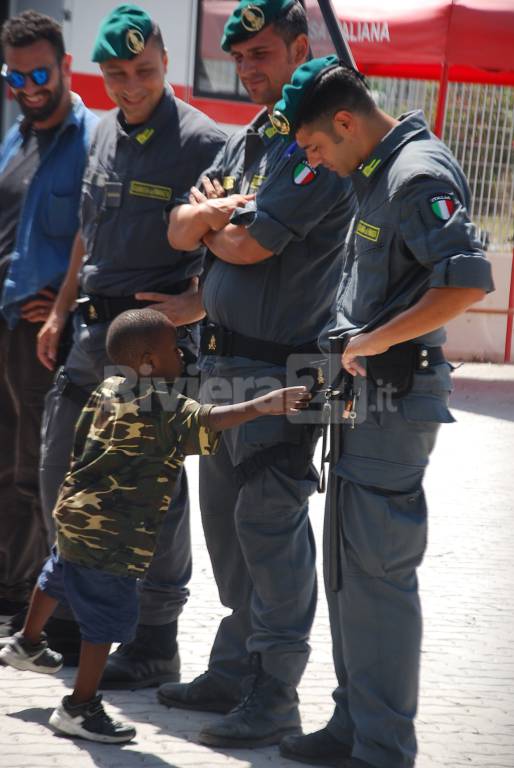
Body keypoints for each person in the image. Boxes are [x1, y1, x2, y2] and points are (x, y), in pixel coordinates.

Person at [268, 56, 495, 768]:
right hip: (362, 403)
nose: (317, 163)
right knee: (350, 577)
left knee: (379, 580)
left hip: (394, 401)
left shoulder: (414, 175)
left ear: (343, 120)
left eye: (314, 148)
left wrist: (372, 339)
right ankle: (353, 728)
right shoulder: (375, 173)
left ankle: (384, 748)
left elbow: (467, 283)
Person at [155, 0, 357, 749]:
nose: (248, 69)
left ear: (300, 48)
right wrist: (210, 218)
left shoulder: (316, 144)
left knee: (270, 534)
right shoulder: (257, 136)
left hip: (280, 374)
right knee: (227, 532)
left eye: (262, 54)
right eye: (239, 58)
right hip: (221, 360)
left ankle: (275, 695)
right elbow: (178, 225)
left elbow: (249, 249)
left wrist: (214, 222)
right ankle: (235, 668)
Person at [0, 307, 311, 744]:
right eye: (173, 350)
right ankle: (80, 706)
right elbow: (209, 420)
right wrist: (264, 404)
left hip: (75, 513)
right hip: (116, 537)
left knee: (57, 572)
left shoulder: (107, 387)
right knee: (105, 622)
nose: (183, 356)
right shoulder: (162, 406)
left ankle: (26, 641)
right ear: (147, 361)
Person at [35, 4, 226, 683]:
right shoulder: (99, 134)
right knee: (61, 474)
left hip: (154, 349)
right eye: (116, 74)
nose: (130, 86)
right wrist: (59, 313)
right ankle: (73, 616)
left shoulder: (205, 143)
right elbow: (87, 232)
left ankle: (154, 638)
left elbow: (237, 243)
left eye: (143, 71)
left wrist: (198, 303)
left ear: (167, 64)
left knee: (153, 495)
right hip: (89, 335)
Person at [0, 11, 98, 620]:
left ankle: (49, 612)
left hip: (47, 336)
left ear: (65, 65)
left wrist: (68, 300)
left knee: (41, 475)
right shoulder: (18, 135)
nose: (29, 87)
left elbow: (99, 235)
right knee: (4, 464)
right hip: (7, 324)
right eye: (15, 77)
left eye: (40, 72)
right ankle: (10, 594)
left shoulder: (93, 139)